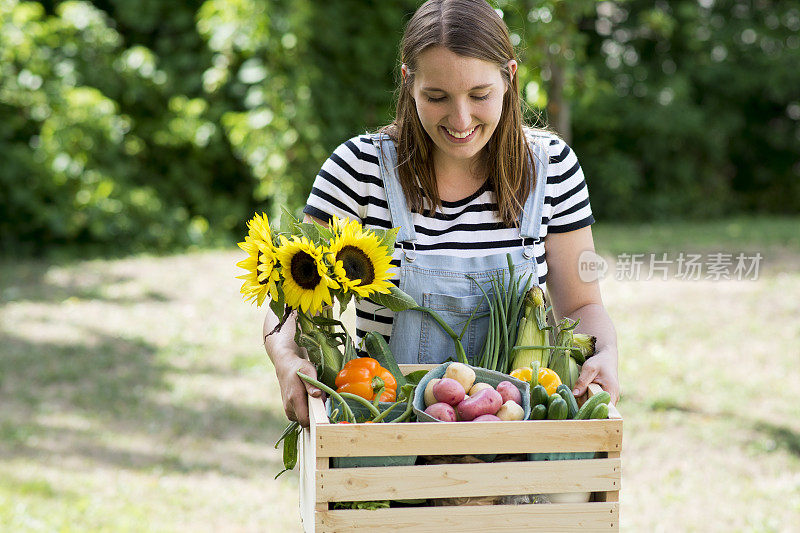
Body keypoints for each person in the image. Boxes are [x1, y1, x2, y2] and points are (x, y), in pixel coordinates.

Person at [265, 0, 620, 427]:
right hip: (386, 431)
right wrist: (287, 358)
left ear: (509, 78)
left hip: (514, 441)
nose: (461, 118)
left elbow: (581, 304)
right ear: (408, 83)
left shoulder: (552, 169)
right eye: (437, 97)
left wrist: (607, 354)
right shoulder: (358, 171)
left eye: (480, 95)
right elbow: (289, 301)